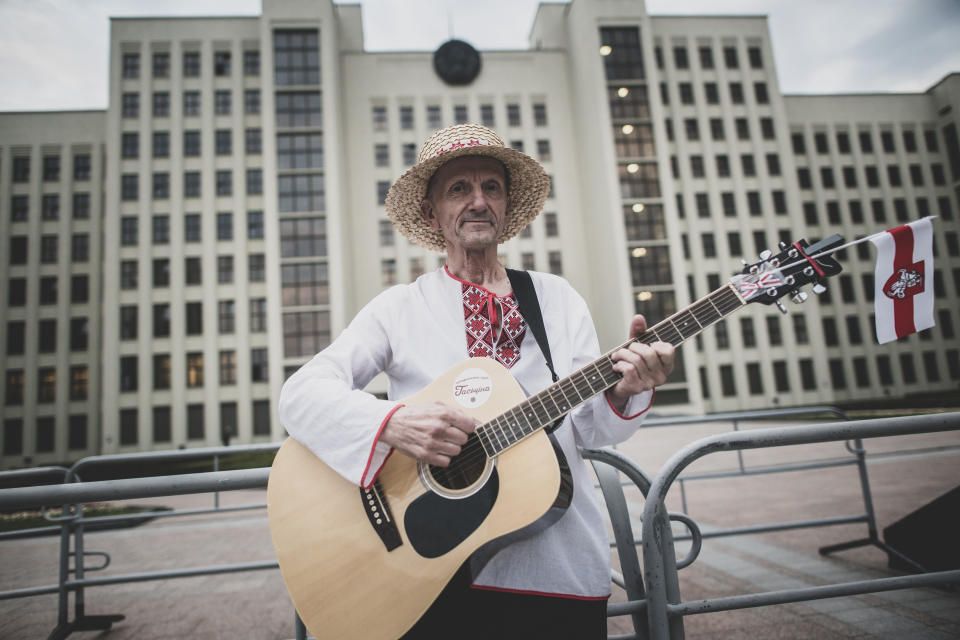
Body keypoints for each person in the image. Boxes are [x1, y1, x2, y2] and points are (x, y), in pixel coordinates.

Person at [278, 124, 675, 639]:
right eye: (458, 189)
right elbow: (301, 394)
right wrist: (391, 423)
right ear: (431, 214)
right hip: (425, 576)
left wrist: (626, 389)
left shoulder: (557, 299)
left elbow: (590, 431)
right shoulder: (400, 308)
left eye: (492, 187)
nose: (479, 201)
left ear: (507, 207)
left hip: (555, 571)